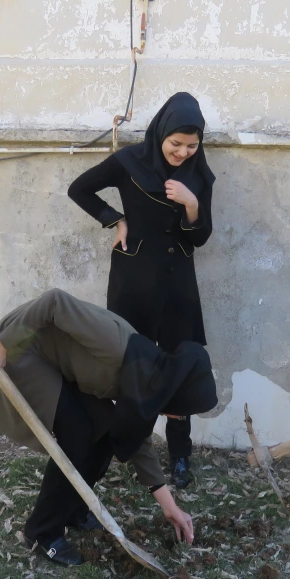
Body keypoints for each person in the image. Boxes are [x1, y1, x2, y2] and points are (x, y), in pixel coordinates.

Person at [0, 288, 217, 566]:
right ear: (176, 397)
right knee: (77, 436)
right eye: (182, 413)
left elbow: (135, 435)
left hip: (50, 360)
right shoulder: (115, 345)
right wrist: (2, 345)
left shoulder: (148, 374)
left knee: (105, 431)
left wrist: (169, 506)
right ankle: (41, 531)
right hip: (20, 346)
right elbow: (54, 302)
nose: (177, 418)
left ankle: (73, 508)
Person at [67, 92, 214, 489]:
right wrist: (115, 219)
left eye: (192, 145)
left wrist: (192, 206)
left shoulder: (200, 175)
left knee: (180, 364)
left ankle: (180, 457)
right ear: (161, 134)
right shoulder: (128, 161)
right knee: (131, 363)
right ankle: (129, 449)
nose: (183, 153)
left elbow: (200, 237)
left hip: (179, 284)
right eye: (175, 144)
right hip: (134, 279)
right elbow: (79, 189)